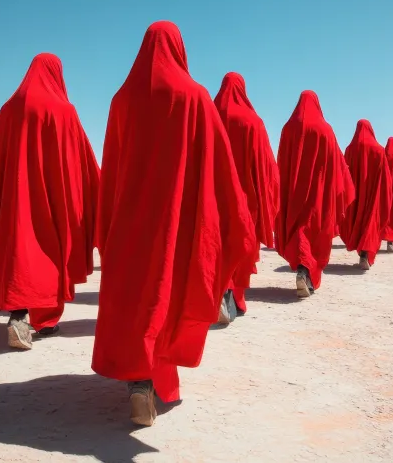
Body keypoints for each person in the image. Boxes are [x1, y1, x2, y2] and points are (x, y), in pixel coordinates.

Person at [92, 22, 255, 427]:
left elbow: (110, 168)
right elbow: (219, 171)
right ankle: (150, 380)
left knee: (137, 300)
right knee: (168, 296)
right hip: (177, 225)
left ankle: (141, 381)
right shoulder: (196, 97)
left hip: (130, 224)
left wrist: (106, 222)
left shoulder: (121, 100)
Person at [0, 54, 100, 350]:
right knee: (49, 254)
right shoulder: (63, 110)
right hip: (51, 200)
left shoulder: (8, 110)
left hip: (14, 199)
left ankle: (19, 313)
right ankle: (45, 321)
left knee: (18, 253)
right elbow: (79, 160)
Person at [213, 72, 279, 321]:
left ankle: (222, 292)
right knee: (241, 246)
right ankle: (232, 296)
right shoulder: (252, 121)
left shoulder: (208, 113)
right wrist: (268, 200)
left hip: (212, 198)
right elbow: (265, 168)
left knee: (216, 247)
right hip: (245, 200)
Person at [275, 91, 354, 297]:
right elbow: (336, 165)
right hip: (319, 196)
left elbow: (281, 162)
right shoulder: (325, 130)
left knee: (297, 229)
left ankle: (303, 268)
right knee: (314, 231)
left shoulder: (288, 128)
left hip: (294, 194)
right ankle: (306, 271)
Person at [340, 120, 390, 270]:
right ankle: (365, 253)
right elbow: (385, 177)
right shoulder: (379, 150)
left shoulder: (349, 150)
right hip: (373, 194)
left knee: (356, 219)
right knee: (370, 220)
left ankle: (362, 251)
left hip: (355, 196)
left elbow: (344, 174)